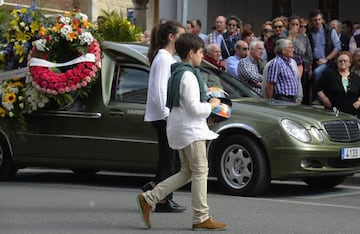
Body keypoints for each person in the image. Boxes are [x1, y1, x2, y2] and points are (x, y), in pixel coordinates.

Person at [136, 33, 227, 231]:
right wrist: (211, 105)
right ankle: (201, 217)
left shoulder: (179, 71)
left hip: (183, 129)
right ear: (192, 53)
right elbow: (194, 108)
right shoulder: (188, 75)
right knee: (200, 171)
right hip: (190, 130)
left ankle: (150, 197)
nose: (203, 56)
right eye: (201, 52)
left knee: (187, 172)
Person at [143, 20, 186, 213]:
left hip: (164, 115)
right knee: (170, 159)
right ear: (171, 37)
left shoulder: (167, 58)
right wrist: (167, 114)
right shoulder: (163, 58)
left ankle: (154, 189)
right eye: (180, 35)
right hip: (163, 116)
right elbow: (160, 89)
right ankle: (162, 199)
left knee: (168, 158)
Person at [315, 51, 360, 117]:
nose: (342, 62)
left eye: (345, 61)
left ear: (350, 63)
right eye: (340, 61)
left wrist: (359, 102)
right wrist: (324, 99)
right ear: (337, 63)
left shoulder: (356, 77)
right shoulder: (330, 75)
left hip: (353, 113)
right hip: (333, 112)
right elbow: (317, 87)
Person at [307, 9, 341, 84]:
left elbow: (338, 47)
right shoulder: (309, 33)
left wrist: (326, 59)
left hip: (327, 62)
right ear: (311, 21)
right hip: (313, 62)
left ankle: (319, 93)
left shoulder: (330, 31)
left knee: (317, 73)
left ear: (322, 20)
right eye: (315, 20)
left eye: (319, 19)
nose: (317, 22)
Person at [287, 15, 313, 104]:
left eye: (297, 24)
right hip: (288, 63)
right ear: (289, 25)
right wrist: (290, 37)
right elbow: (284, 48)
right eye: (292, 24)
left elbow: (309, 53)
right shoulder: (284, 35)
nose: (295, 26)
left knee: (304, 87)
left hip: (303, 63)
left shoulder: (303, 37)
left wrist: (310, 67)